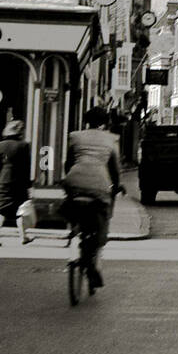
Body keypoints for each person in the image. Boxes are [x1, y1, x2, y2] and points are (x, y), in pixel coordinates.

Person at [62, 106, 122, 289]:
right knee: (104, 214)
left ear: (86, 120)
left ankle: (73, 230)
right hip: (99, 183)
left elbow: (68, 162)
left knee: (71, 203)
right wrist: (115, 187)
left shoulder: (75, 136)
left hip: (74, 179)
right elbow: (115, 169)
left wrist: (69, 180)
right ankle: (96, 257)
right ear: (105, 122)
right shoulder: (112, 139)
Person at [0, 118, 32, 247]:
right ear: (20, 131)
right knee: (21, 210)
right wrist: (29, 184)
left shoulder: (0, 145)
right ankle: (23, 237)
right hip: (19, 181)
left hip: (3, 179)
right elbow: (26, 166)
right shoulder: (24, 145)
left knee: (1, 209)